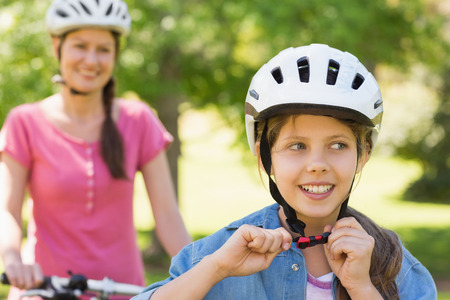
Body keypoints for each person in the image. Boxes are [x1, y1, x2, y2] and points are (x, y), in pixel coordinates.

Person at [131, 44, 437, 300]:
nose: (317, 164)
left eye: (338, 145)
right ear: (265, 157)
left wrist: (362, 288)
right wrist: (217, 269)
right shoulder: (220, 252)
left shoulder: (396, 266)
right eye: (298, 146)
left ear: (364, 154)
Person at [0, 0, 192, 299]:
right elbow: (7, 211)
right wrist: (14, 261)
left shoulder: (138, 120)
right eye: (80, 45)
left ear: (115, 54)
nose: (91, 60)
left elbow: (167, 213)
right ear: (57, 47)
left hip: (123, 290)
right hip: (44, 290)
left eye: (103, 49)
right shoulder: (25, 122)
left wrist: (200, 271)